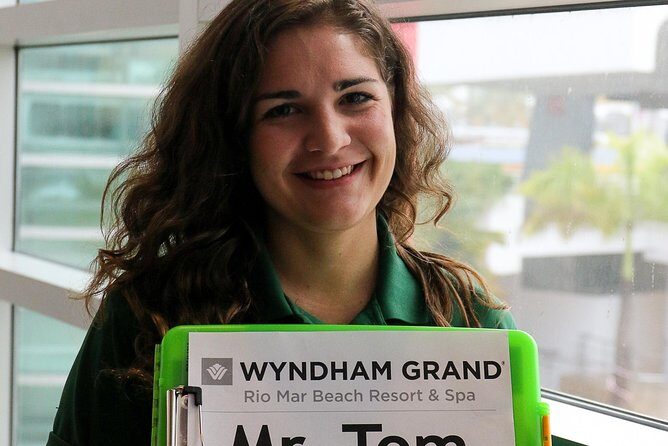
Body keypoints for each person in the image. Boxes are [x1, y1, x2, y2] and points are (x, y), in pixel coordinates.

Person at [47, 0, 515, 445]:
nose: (329, 139)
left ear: (394, 108)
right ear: (233, 138)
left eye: (355, 98)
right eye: (284, 110)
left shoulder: (473, 324)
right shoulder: (146, 317)